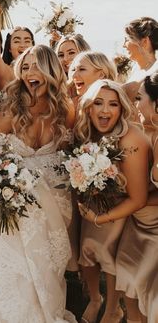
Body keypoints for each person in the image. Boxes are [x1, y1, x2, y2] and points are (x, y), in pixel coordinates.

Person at [0, 45, 78, 323]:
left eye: (37, 66)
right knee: (16, 269)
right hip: (15, 203)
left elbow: (64, 154)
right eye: (25, 67)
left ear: (51, 71)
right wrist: (4, 184)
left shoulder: (64, 109)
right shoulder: (10, 108)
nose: (30, 73)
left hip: (54, 204)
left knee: (47, 267)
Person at [75, 79, 150, 323]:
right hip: (96, 202)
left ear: (121, 109)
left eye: (113, 104)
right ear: (88, 108)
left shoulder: (130, 139)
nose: (105, 111)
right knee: (86, 247)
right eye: (98, 103)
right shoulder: (86, 133)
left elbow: (138, 199)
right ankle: (96, 298)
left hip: (131, 208)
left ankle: (112, 309)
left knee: (109, 249)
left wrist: (99, 218)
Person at [115, 72, 158, 323]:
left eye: (139, 98)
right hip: (140, 223)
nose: (135, 104)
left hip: (154, 229)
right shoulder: (144, 133)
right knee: (129, 279)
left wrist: (132, 199)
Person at [0, 3, 34, 91]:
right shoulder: (6, 72)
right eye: (17, 41)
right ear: (9, 48)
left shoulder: (41, 73)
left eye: (27, 41)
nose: (23, 45)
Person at [123, 17, 158, 103]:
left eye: (127, 39)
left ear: (145, 42)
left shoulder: (154, 74)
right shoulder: (135, 68)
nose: (123, 45)